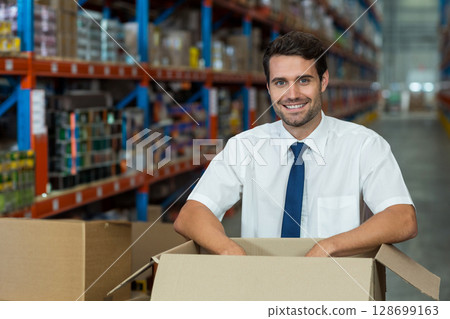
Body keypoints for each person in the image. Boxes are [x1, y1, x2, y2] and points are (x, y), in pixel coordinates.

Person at [174, 31, 417, 257]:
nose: (292, 94)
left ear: (323, 82)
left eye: (303, 80)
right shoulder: (245, 146)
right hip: (263, 283)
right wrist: (230, 252)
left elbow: (402, 219)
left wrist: (329, 246)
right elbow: (191, 215)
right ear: (268, 88)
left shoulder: (364, 145)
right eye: (280, 83)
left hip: (336, 284)